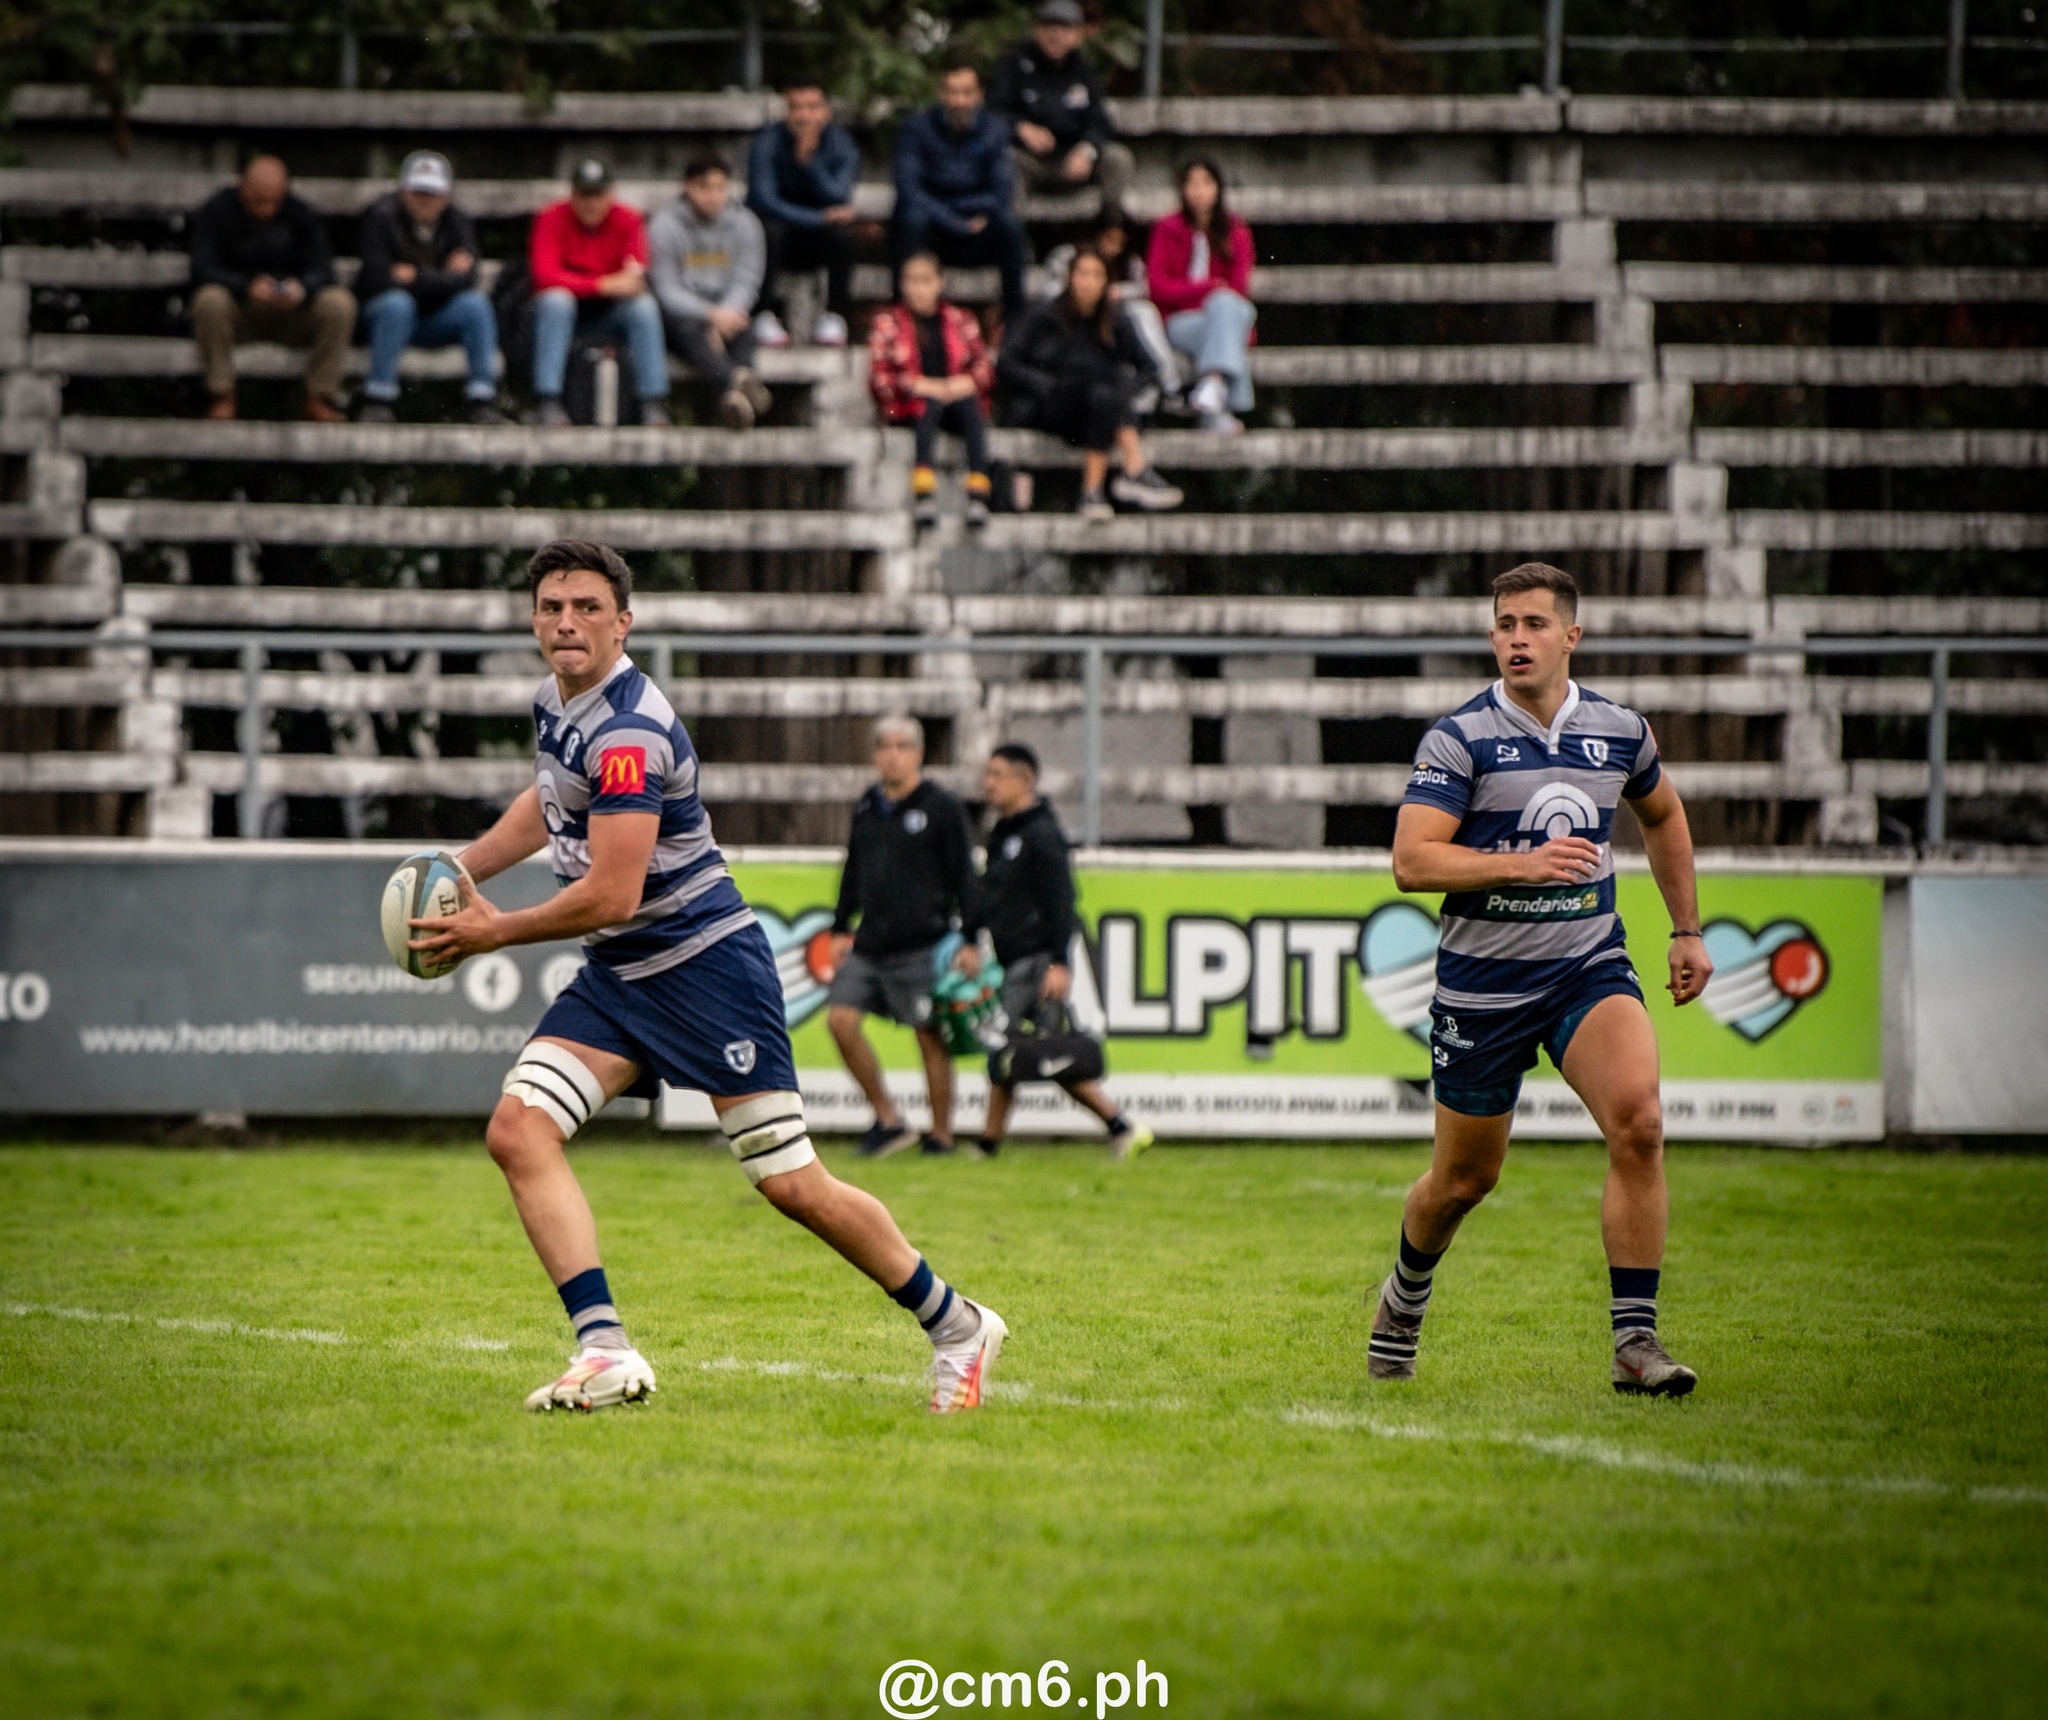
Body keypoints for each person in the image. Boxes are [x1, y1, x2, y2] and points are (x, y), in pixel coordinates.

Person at [407, 540, 1007, 1417]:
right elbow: (547, 802)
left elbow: (611, 890)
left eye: (585, 607)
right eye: (550, 607)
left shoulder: (629, 732)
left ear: (624, 621)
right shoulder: (556, 701)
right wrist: (462, 869)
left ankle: (956, 1323)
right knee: (518, 1129)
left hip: (706, 970)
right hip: (622, 974)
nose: (565, 621)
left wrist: (495, 931)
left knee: (790, 1182)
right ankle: (604, 1349)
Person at [1370, 561, 1713, 1399]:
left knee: (1639, 1123)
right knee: (1463, 1183)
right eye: (1503, 625)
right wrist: (1524, 864)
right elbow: (1413, 863)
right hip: (1483, 986)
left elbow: (1662, 814)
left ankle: (1636, 1343)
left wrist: (1687, 928)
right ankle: (1403, 1298)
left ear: (1571, 635)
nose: (1515, 639)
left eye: (1532, 624)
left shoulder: (1620, 730)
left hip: (1586, 968)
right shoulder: (1459, 737)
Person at [973, 743, 1151, 1161]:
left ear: (1026, 779)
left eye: (998, 775)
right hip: (1012, 959)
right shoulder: (1004, 832)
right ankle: (1122, 1126)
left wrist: (1058, 962)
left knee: (1008, 1044)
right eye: (988, 775)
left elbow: (1061, 903)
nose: (989, 784)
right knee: (1043, 1054)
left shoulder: (1042, 834)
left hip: (1035, 962)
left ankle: (988, 1144)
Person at [826, 716, 981, 1159]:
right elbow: (853, 868)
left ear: (918, 754)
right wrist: (841, 926)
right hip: (870, 943)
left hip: (923, 944)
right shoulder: (867, 805)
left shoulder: (942, 806)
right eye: (883, 746)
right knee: (840, 1021)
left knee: (930, 1036)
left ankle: (941, 1135)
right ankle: (889, 1120)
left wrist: (970, 936)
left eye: (901, 746)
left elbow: (965, 876)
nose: (891, 754)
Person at [997, 246, 1183, 520]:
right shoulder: (1043, 314)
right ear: (1070, 276)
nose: (1088, 282)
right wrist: (1044, 385)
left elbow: (1150, 368)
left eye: (1096, 275)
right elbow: (1007, 362)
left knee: (1107, 395)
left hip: (1099, 413)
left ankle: (1095, 492)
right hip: (1053, 407)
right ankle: (1131, 473)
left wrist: (1125, 392)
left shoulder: (1116, 318)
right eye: (1082, 273)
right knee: (1104, 394)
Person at [188, 154, 356, 423]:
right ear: (243, 187)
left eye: (274, 202)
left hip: (293, 311)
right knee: (209, 299)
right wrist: (245, 287)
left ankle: (319, 396)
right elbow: (202, 269)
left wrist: (301, 289)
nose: (267, 209)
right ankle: (222, 394)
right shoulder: (217, 211)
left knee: (339, 303)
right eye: (258, 201)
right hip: (239, 311)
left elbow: (324, 269)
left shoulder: (300, 212)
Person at [354, 151, 504, 425]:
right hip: (387, 321)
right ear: (403, 191)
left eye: (432, 192)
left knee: (475, 304)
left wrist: (415, 277)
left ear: (446, 195)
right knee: (396, 304)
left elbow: (467, 279)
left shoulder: (458, 222)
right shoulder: (381, 217)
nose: (425, 199)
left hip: (436, 319)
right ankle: (378, 398)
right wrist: (441, 277)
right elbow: (376, 279)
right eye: (418, 190)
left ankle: (482, 399)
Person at [528, 160, 670, 429]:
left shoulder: (628, 219)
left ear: (611, 194)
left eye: (598, 195)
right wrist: (602, 284)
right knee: (557, 301)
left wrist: (601, 285)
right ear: (572, 194)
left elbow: (634, 278)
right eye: (584, 195)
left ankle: (652, 403)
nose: (590, 204)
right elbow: (545, 276)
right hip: (561, 319)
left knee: (643, 307)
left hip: (608, 314)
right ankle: (548, 400)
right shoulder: (550, 218)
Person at [892, 61, 1031, 320]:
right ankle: (902, 318)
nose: (959, 100)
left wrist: (963, 214)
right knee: (910, 219)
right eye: (952, 92)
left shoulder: (995, 129)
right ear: (940, 93)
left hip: (977, 226)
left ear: (980, 95)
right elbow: (909, 188)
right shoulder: (917, 127)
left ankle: (1015, 321)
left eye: (966, 92)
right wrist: (955, 220)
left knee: (1009, 226)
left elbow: (1001, 191)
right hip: (934, 227)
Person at [868, 252, 995, 531]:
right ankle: (924, 493)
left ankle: (978, 494)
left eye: (925, 281)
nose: (918, 289)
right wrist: (917, 384)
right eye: (911, 281)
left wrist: (967, 383)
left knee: (971, 408)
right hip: (906, 405)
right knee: (928, 406)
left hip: (954, 399)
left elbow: (984, 366)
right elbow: (879, 378)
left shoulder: (960, 319)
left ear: (940, 283)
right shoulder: (888, 323)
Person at [648, 155, 772, 432]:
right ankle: (738, 381)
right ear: (688, 188)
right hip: (683, 317)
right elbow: (666, 290)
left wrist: (726, 314)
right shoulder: (664, 226)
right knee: (690, 329)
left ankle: (734, 398)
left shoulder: (746, 224)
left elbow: (748, 280)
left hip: (729, 314)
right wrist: (711, 315)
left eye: (720, 188)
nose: (713, 196)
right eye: (705, 187)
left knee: (744, 330)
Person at [989, 1, 1135, 218]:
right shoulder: (1013, 66)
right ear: (1036, 30)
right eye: (1048, 27)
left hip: (1074, 161)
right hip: (1032, 161)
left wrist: (1087, 149)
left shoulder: (1084, 71)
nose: (1055, 35)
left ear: (1078, 35)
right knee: (1007, 161)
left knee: (1118, 158)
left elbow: (1100, 121)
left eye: (1064, 28)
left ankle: (1109, 236)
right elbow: (992, 112)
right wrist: (1021, 128)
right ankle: (1014, 242)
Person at [1146, 157, 1257, 434]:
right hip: (1181, 322)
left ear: (1218, 188)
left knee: (1227, 306)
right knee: (1230, 311)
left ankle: (1213, 391)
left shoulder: (1236, 230)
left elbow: (1239, 287)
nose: (1199, 191)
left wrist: (1213, 296)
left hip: (1223, 316)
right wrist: (1207, 288)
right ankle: (1219, 391)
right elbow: (1158, 286)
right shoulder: (1166, 228)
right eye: (1192, 184)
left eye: (1206, 183)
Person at [746, 81, 858, 348]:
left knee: (844, 236)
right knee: (767, 229)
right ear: (787, 111)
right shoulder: (767, 142)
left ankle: (835, 317)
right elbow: (764, 200)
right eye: (796, 107)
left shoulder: (842, 144)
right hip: (781, 235)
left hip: (817, 239)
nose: (804, 115)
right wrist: (818, 218)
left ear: (826, 112)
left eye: (812, 107)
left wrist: (809, 163)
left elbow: (839, 196)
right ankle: (763, 314)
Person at [1038, 206, 1179, 412]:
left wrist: (1113, 294)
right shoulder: (1067, 256)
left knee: (1144, 312)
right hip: (1070, 326)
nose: (1112, 248)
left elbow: (1142, 288)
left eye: (1119, 242)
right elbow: (1048, 291)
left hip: (1109, 332)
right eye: (1107, 239)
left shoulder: (1129, 266)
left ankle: (1170, 385)